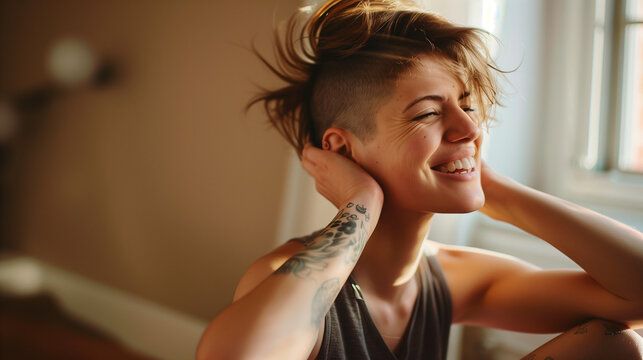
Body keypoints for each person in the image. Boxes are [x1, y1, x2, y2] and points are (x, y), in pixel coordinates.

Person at [197, 1, 643, 359]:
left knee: (614, 344)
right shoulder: (281, 275)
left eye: (467, 106)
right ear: (343, 150)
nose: (469, 129)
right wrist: (360, 202)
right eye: (429, 113)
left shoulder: (449, 277)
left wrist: (494, 189)